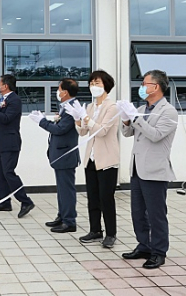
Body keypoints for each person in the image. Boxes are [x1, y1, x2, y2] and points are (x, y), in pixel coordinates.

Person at [117, 69, 177, 269]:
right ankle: (144, 245)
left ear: (156, 87)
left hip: (155, 170)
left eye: (144, 84)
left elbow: (156, 135)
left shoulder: (168, 111)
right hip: (137, 168)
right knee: (137, 212)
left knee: (156, 214)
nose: (141, 87)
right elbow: (128, 133)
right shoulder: (143, 108)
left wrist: (136, 118)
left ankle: (159, 252)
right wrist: (126, 119)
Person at [66, 70, 119, 248]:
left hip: (107, 159)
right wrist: (77, 118)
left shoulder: (112, 107)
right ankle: (95, 230)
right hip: (91, 158)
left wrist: (86, 118)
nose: (93, 86)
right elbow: (83, 132)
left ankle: (111, 233)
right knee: (93, 197)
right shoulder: (89, 107)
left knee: (106, 198)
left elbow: (102, 131)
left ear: (106, 86)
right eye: (91, 83)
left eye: (97, 83)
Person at [29, 78, 80, 233]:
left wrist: (42, 122)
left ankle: (69, 221)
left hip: (66, 154)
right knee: (62, 189)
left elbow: (60, 129)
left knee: (66, 189)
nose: (57, 92)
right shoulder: (66, 106)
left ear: (65, 92)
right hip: (60, 154)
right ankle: (62, 216)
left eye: (59, 89)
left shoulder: (72, 107)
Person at [0, 75, 35, 218]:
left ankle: (26, 201)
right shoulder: (2, 99)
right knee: (1, 174)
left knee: (8, 172)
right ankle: (4, 201)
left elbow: (6, 119)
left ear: (6, 85)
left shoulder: (14, 100)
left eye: (0, 83)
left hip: (10, 142)